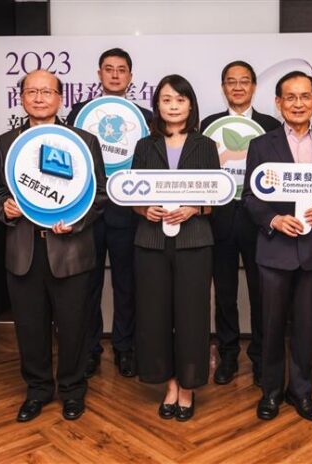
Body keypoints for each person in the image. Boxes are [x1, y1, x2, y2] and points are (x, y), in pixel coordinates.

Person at [0, 69, 107, 422]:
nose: (39, 97)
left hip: (69, 248)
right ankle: (38, 390)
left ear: (60, 98)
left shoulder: (83, 141)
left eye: (47, 91)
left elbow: (100, 195)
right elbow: (1, 192)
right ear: (21, 98)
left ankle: (73, 390)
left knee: (73, 325)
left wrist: (77, 221)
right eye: (32, 91)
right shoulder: (7, 141)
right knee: (30, 326)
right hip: (24, 250)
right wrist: (5, 208)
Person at [243, 71, 312, 422]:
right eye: (291, 97)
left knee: (305, 328)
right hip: (275, 249)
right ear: (278, 102)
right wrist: (273, 219)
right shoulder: (261, 145)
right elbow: (250, 197)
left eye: (305, 96)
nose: (298, 104)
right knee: (271, 326)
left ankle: (301, 392)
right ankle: (271, 392)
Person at [131, 74, 219, 421]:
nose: (173, 106)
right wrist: (144, 210)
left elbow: (217, 197)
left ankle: (188, 387)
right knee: (154, 315)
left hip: (194, 240)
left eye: (180, 100)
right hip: (150, 241)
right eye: (166, 100)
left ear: (190, 105)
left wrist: (194, 208)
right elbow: (130, 194)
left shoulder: (205, 145)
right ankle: (168, 384)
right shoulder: (144, 145)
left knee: (192, 315)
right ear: (157, 105)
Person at [66, 48, 153, 379]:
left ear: (130, 77)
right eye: (108, 69)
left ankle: (124, 347)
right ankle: (90, 349)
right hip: (87, 212)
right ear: (99, 74)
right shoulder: (78, 113)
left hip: (127, 212)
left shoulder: (146, 117)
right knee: (87, 285)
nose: (115, 75)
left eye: (121, 70)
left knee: (126, 284)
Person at [200, 60, 281, 386]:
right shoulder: (209, 124)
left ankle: (261, 357)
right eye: (231, 81)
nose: (237, 87)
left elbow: (277, 173)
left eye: (244, 81)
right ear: (223, 88)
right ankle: (228, 355)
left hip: (259, 219)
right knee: (224, 292)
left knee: (261, 292)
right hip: (219, 218)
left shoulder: (270, 125)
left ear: (253, 87)